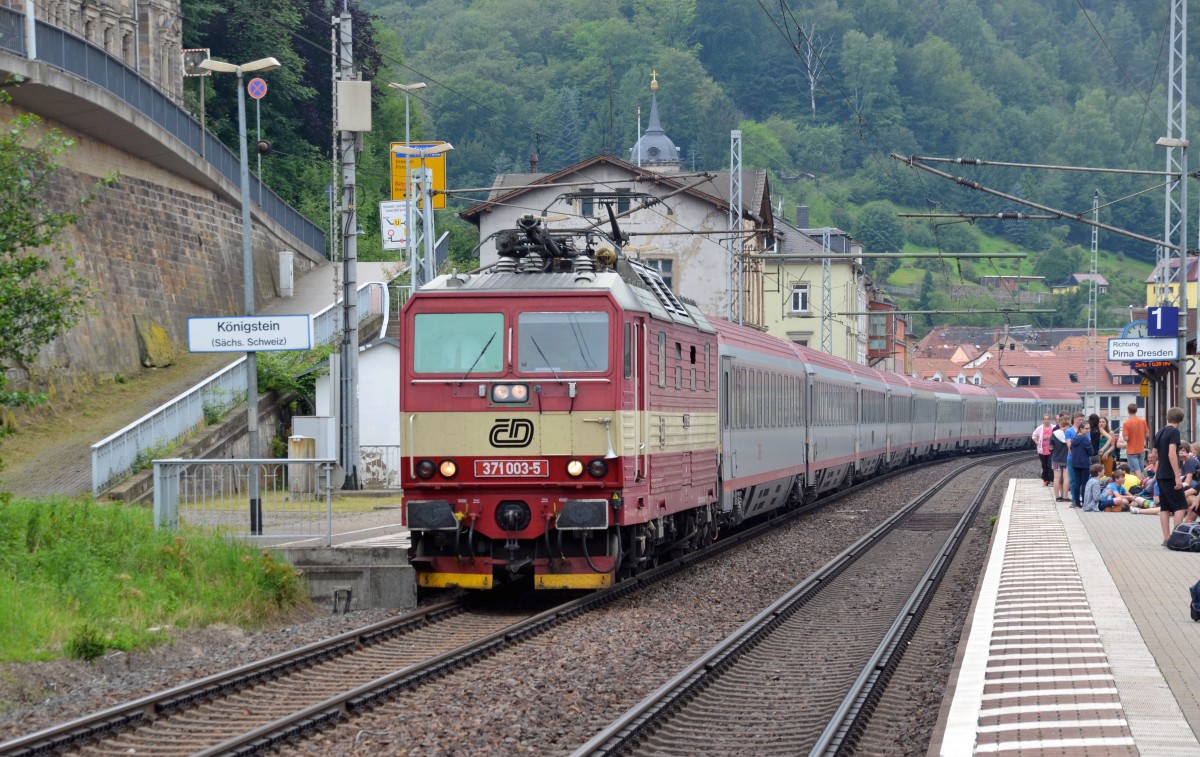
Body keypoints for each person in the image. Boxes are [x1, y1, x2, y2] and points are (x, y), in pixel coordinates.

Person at [1153, 406, 1188, 545]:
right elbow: (1172, 453)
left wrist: (1156, 468)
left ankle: (1166, 538)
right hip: (1169, 474)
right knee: (1181, 506)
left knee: (1165, 507)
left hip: (1161, 473)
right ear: (1180, 419)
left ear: (1168, 417)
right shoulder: (1174, 432)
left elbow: (1154, 454)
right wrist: (1177, 476)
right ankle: (1176, 538)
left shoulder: (1160, 431)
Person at [1069, 420, 1095, 508]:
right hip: (1084, 463)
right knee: (1084, 483)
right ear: (1081, 429)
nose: (1088, 430)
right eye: (1086, 428)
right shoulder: (1085, 438)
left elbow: (1071, 449)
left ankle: (1076, 502)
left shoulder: (1074, 438)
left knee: (1077, 483)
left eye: (1089, 429)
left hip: (1075, 463)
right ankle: (1084, 501)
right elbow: (1091, 452)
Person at [1122, 403, 1150, 477]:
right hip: (1141, 449)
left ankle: (1142, 484)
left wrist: (1123, 435)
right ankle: (1144, 483)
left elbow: (1126, 438)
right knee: (1141, 469)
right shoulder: (1143, 421)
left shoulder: (1126, 423)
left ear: (1128, 411)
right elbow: (1147, 435)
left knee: (1136, 470)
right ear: (1136, 410)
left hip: (1131, 450)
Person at [1050, 416, 1072, 502]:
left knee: (1056, 478)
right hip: (1067, 459)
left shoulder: (1054, 434)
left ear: (1059, 423)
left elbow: (1051, 448)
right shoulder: (1070, 433)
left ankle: (1057, 497)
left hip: (1056, 459)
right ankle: (1065, 496)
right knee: (1066, 478)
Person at [1032, 414, 1054, 487]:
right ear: (1043, 420)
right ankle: (1045, 479)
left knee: (1050, 465)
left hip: (1051, 450)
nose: (1046, 420)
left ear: (1050, 420)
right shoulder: (1039, 428)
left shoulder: (1053, 427)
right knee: (1044, 465)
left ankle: (1051, 479)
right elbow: (1034, 436)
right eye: (1045, 419)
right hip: (1042, 450)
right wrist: (1037, 442)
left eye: (1048, 419)